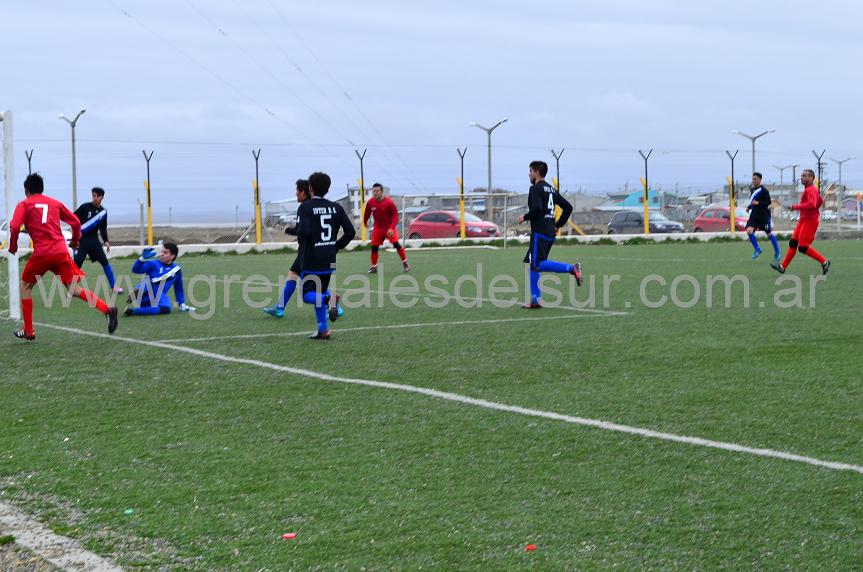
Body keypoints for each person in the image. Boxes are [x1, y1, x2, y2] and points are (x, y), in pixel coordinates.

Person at [7, 173, 118, 340]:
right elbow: (74, 221)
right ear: (42, 189)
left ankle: (29, 330)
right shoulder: (55, 203)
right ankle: (107, 309)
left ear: (26, 190)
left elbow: (15, 226)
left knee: (25, 287)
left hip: (43, 253)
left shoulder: (24, 204)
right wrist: (74, 241)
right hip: (60, 251)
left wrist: (13, 246)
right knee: (73, 289)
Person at [264, 179, 341, 321]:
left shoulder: (305, 207)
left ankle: (281, 308)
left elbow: (302, 231)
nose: (296, 194)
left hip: (308, 252)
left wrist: (287, 229)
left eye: (297, 191)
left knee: (301, 280)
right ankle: (281, 307)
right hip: (315, 251)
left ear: (304, 192)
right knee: (304, 279)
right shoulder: (316, 206)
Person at [296, 171, 356, 339]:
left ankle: (329, 299)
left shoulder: (305, 207)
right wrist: (335, 246)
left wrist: (299, 233)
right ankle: (323, 330)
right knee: (319, 290)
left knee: (308, 295)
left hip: (311, 258)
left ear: (310, 188)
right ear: (328, 189)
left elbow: (304, 231)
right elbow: (350, 232)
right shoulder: (336, 207)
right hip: (329, 258)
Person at [518, 161, 583, 309]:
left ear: (535, 172)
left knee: (536, 264)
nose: (529, 174)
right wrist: (558, 225)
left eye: (530, 171)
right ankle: (536, 300)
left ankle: (572, 268)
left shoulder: (535, 189)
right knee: (531, 263)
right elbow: (568, 207)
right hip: (549, 232)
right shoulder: (551, 189)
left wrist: (525, 217)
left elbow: (537, 208)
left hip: (539, 232)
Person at [771, 169, 830, 275]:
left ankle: (824, 262)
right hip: (803, 220)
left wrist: (794, 207)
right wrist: (814, 209)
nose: (802, 178)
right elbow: (820, 201)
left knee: (802, 247)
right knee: (793, 243)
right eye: (802, 175)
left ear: (811, 178)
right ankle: (782, 267)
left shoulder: (810, 190)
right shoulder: (810, 189)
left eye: (805, 176)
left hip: (810, 222)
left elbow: (812, 204)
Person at [74, 186, 123, 292]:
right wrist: (76, 235)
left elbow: (103, 229)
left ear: (102, 197)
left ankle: (113, 286)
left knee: (104, 261)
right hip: (82, 239)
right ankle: (71, 287)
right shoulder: (85, 207)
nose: (95, 198)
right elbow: (73, 218)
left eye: (97, 196)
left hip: (94, 240)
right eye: (93, 196)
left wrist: (106, 241)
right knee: (78, 261)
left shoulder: (103, 212)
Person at [124, 242, 194, 316]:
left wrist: (181, 304)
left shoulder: (176, 270)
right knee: (150, 284)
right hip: (146, 295)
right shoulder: (153, 264)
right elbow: (136, 270)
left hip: (159, 296)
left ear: (172, 256)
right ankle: (140, 291)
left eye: (165, 252)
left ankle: (132, 311)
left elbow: (178, 289)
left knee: (165, 309)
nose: (162, 254)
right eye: (162, 251)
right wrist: (141, 259)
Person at [363, 182, 409, 273]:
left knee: (396, 245)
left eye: (377, 191)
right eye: (374, 191)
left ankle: (405, 262)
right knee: (374, 247)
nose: (375, 193)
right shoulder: (370, 202)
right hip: (378, 228)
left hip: (389, 228)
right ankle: (374, 267)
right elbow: (367, 213)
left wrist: (392, 228)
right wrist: (365, 222)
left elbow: (395, 216)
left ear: (382, 191)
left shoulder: (389, 202)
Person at [745, 172, 781, 261]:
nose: (753, 181)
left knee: (768, 233)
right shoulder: (752, 190)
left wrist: (758, 203)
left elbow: (768, 202)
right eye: (753, 179)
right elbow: (753, 201)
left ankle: (777, 251)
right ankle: (757, 249)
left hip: (763, 215)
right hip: (754, 215)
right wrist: (749, 207)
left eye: (755, 179)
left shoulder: (764, 190)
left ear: (760, 180)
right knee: (749, 231)